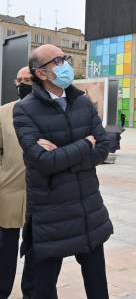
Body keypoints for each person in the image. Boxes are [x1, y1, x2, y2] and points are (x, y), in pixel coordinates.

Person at [13, 44, 113, 299]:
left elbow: (103, 147)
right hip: (51, 213)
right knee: (45, 284)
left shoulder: (83, 102)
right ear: (41, 74)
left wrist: (62, 158)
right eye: (57, 61)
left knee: (97, 284)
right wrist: (85, 143)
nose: (65, 64)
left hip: (87, 208)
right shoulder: (25, 109)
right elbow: (42, 161)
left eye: (64, 58)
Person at [0, 67, 35, 299]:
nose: (22, 84)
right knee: (5, 248)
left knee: (36, 249)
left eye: (28, 80)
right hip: (9, 191)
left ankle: (31, 292)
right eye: (19, 80)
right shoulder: (3, 112)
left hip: (39, 193)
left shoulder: (51, 111)